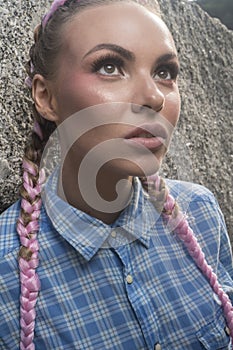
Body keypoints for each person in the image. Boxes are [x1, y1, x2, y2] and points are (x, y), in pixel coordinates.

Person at [1, 0, 233, 349]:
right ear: (46, 97)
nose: (154, 96)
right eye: (110, 66)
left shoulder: (200, 211)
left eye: (165, 72)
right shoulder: (7, 271)